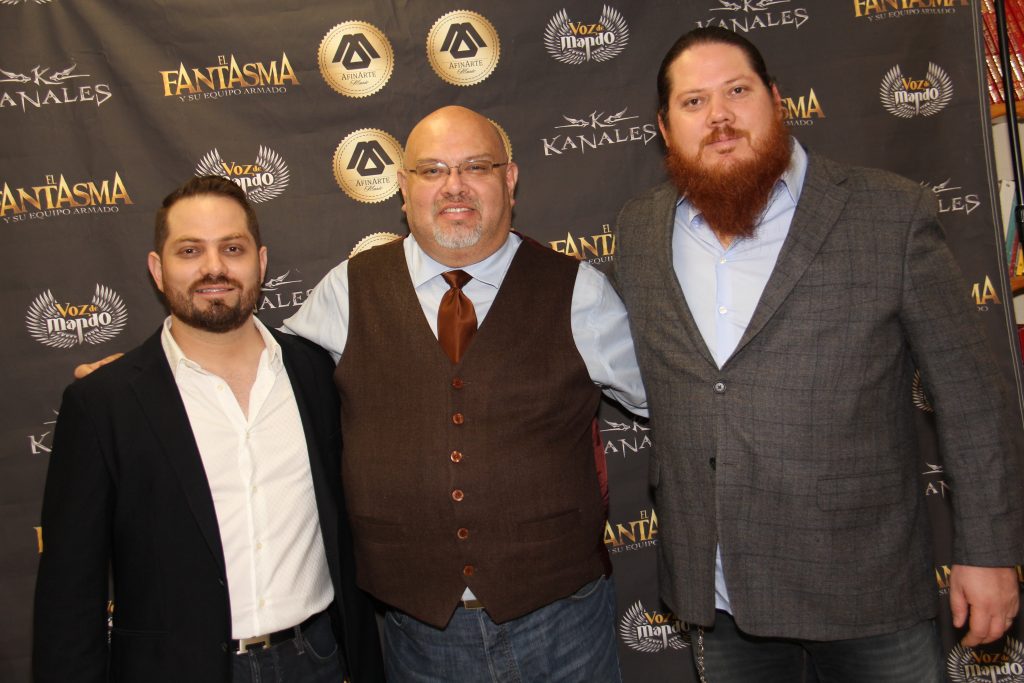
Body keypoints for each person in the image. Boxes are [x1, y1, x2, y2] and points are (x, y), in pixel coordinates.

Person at [613, 26, 1024, 683]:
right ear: (665, 128)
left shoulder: (890, 213)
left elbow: (974, 396)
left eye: (737, 92)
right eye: (693, 103)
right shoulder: (640, 228)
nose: (717, 116)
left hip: (867, 589)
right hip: (718, 595)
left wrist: (991, 552)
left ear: (777, 100)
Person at [282, 105, 646, 682]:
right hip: (418, 634)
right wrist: (152, 374)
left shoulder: (577, 291)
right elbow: (262, 380)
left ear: (510, 178)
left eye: (476, 166)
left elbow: (676, 394)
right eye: (431, 171)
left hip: (563, 622)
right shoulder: (348, 290)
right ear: (403, 189)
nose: (454, 186)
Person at [32, 176, 384, 683]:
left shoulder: (318, 374)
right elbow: (69, 591)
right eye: (190, 250)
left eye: (232, 248)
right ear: (158, 269)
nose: (214, 268)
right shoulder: (102, 404)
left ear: (261, 263)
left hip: (319, 661)